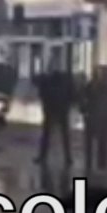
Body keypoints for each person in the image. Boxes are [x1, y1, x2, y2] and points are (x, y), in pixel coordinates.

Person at [35, 52, 76, 189]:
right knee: (49, 134)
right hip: (54, 108)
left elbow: (71, 92)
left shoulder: (62, 79)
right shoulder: (53, 79)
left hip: (58, 108)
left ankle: (65, 157)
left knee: (59, 134)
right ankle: (46, 156)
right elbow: (41, 88)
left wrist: (69, 103)